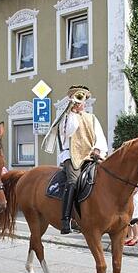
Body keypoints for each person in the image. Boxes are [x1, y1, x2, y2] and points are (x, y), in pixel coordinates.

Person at [41, 84, 108, 235]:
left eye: (82, 99)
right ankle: (66, 219)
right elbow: (69, 131)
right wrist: (72, 112)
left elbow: (100, 137)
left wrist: (98, 149)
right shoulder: (66, 118)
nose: (80, 102)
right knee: (73, 181)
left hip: (90, 156)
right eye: (78, 98)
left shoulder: (92, 118)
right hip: (71, 156)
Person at [125, 182, 138, 246]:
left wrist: (129, 197)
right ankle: (130, 236)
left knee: (133, 219)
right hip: (131, 198)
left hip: (135, 198)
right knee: (128, 219)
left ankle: (136, 236)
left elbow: (135, 189)